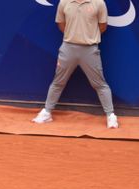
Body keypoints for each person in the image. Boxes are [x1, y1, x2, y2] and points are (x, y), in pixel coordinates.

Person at [32, 0, 119, 129]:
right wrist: (73, 36)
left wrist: (88, 37)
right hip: (68, 48)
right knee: (58, 82)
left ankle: (111, 116)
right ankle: (47, 113)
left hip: (90, 50)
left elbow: (103, 26)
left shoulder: (99, 3)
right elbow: (61, 24)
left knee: (100, 84)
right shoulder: (64, 2)